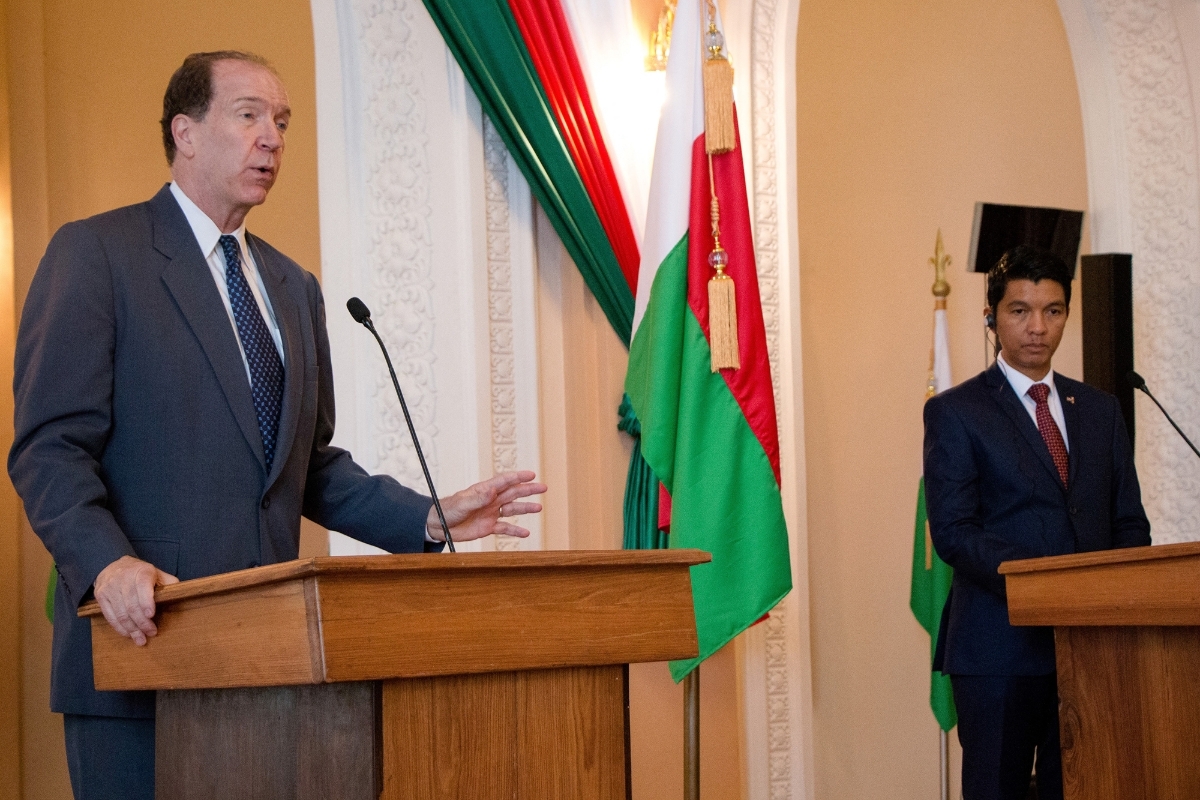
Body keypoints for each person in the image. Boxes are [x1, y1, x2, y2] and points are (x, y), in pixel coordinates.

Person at [8, 50, 546, 800]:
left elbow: (306, 465)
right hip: (141, 658)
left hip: (271, 668)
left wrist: (424, 515)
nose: (273, 138)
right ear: (185, 132)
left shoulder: (294, 287)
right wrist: (105, 564)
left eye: (284, 122)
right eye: (250, 114)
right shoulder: (99, 254)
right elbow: (48, 446)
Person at [923, 245, 1150, 800]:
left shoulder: (1100, 410)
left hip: (1091, 646)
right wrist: (1046, 581)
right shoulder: (957, 411)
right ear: (991, 316)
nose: (1037, 327)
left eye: (1053, 311)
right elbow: (954, 531)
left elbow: (1129, 525)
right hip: (998, 646)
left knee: (1079, 787)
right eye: (1020, 310)